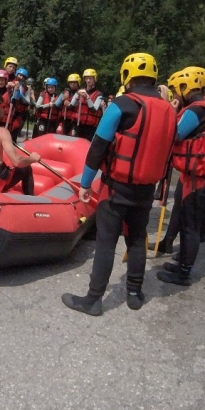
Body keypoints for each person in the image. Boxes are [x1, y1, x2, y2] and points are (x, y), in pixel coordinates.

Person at [61, 52, 176, 316]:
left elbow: (97, 147)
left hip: (116, 189)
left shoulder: (122, 104)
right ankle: (134, 294)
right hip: (146, 189)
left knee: (106, 243)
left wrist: (86, 183)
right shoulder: (169, 109)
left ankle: (93, 299)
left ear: (127, 76)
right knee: (136, 239)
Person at [157, 67, 205, 286]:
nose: (174, 93)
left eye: (175, 90)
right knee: (188, 221)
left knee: (189, 225)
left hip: (199, 177)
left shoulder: (195, 111)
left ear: (185, 87)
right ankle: (182, 262)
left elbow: (174, 134)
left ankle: (183, 274)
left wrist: (169, 109)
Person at [71, 68, 104, 140]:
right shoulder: (79, 91)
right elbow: (71, 106)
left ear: (94, 79)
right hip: (78, 124)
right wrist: (77, 97)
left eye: (90, 78)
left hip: (90, 127)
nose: (88, 80)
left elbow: (94, 109)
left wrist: (87, 97)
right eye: (86, 78)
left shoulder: (99, 94)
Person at [8, 67, 33, 142]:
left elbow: (28, 101)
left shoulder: (25, 88)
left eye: (23, 76)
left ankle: (13, 142)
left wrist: (20, 94)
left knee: (15, 128)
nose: (21, 77)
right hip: (9, 109)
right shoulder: (9, 83)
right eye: (19, 75)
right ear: (16, 74)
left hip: (18, 111)